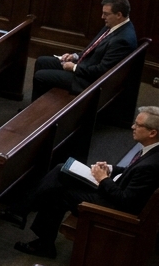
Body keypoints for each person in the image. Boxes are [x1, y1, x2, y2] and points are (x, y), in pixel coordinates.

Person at [13, 106, 159, 258]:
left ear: (152, 132)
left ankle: (39, 238)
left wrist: (103, 179)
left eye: (138, 125)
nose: (132, 127)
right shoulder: (151, 149)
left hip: (116, 209)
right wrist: (110, 168)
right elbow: (131, 170)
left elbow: (125, 201)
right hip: (114, 190)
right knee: (61, 169)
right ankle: (21, 210)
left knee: (58, 193)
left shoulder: (151, 165)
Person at [31, 0, 137, 101]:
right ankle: (36, 106)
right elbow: (92, 49)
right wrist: (75, 56)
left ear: (119, 15)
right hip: (85, 66)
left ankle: (38, 114)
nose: (102, 17)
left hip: (88, 81)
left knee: (40, 76)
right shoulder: (113, 26)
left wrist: (74, 67)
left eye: (106, 14)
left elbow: (102, 71)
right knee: (42, 61)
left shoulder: (122, 40)